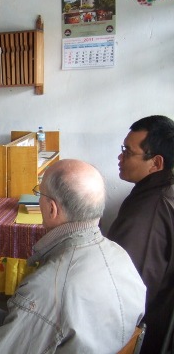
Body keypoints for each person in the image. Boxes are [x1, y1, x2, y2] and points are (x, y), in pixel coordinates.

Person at [0, 159, 146, 353]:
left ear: (52, 209)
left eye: (40, 194)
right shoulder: (120, 255)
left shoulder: (45, 288)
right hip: (107, 343)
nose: (38, 200)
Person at [107, 115, 174, 354]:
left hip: (140, 332)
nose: (120, 157)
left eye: (127, 151)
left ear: (156, 163)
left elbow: (125, 288)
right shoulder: (159, 188)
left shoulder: (149, 214)